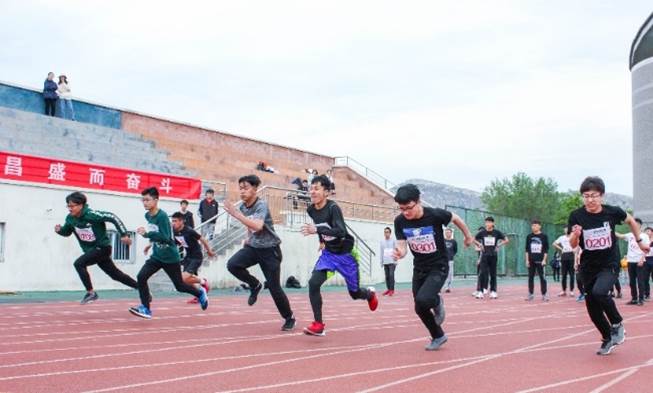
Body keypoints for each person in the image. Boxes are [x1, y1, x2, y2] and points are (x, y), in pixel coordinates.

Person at [568, 176, 649, 355]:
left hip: (609, 263)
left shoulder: (612, 212)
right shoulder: (576, 215)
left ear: (601, 196)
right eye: (586, 196)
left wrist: (639, 240)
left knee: (600, 292)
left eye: (594, 195)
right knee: (591, 306)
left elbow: (631, 221)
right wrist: (576, 234)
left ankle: (617, 323)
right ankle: (607, 338)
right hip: (588, 266)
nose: (590, 199)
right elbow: (573, 244)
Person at [392, 184, 474, 350]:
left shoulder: (435, 215)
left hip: (439, 265)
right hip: (419, 267)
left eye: (409, 208)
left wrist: (468, 236)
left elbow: (456, 218)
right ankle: (438, 335)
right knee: (419, 306)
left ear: (418, 202)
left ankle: (437, 302)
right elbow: (402, 245)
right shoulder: (400, 222)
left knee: (425, 299)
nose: (406, 213)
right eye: (402, 209)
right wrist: (400, 253)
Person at [301, 175, 378, 336]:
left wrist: (318, 231)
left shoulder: (333, 208)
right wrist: (321, 240)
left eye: (316, 188)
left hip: (346, 255)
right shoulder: (311, 209)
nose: (312, 191)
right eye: (311, 188)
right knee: (313, 283)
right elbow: (320, 226)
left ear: (327, 192)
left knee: (354, 293)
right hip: (329, 254)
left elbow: (340, 231)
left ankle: (369, 294)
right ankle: (318, 324)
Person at [224, 175, 296, 331]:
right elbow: (250, 228)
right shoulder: (243, 206)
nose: (242, 192)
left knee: (274, 287)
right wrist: (247, 238)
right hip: (254, 248)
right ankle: (254, 284)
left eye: (246, 188)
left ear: (255, 189)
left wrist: (236, 214)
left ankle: (289, 317)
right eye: (240, 188)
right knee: (232, 265)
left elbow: (257, 226)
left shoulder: (261, 205)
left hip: (270, 251)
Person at [129, 187, 208, 319]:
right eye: (143, 200)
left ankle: (199, 293)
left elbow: (166, 237)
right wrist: (150, 243)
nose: (145, 203)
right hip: (157, 256)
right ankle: (146, 309)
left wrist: (147, 234)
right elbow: (155, 234)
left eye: (147, 200)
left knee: (179, 286)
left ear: (156, 200)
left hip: (170, 258)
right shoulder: (148, 215)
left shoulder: (162, 216)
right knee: (141, 277)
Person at [54, 192, 138, 304]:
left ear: (81, 205)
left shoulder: (91, 215)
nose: (70, 208)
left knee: (79, 263)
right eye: (68, 206)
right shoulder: (70, 219)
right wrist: (60, 231)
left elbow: (113, 217)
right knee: (115, 275)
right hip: (92, 251)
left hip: (102, 248)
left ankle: (91, 293)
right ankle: (141, 288)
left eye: (72, 206)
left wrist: (123, 234)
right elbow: (67, 232)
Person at [168, 212, 214, 304]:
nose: (173, 223)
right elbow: (177, 243)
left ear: (181, 221)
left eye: (175, 221)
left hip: (196, 257)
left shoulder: (189, 230)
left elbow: (203, 239)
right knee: (187, 281)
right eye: (172, 221)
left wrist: (209, 251)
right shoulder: (175, 231)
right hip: (188, 257)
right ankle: (198, 295)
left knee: (183, 278)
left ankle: (203, 282)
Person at [616, 218, 650, 306]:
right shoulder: (630, 235)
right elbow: (620, 235)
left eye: (636, 224)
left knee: (640, 281)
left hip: (640, 261)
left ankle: (641, 299)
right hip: (630, 261)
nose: (634, 225)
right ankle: (634, 298)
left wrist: (642, 259)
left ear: (639, 225)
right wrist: (610, 229)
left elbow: (647, 249)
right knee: (631, 282)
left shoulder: (644, 236)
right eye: (632, 224)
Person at [474, 217, 509, 299]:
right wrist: (479, 245)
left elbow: (506, 240)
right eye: (486, 222)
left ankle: (493, 291)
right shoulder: (482, 232)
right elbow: (473, 239)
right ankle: (481, 291)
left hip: (493, 255)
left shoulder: (497, 232)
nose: (487, 224)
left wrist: (499, 245)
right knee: (482, 273)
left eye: (489, 222)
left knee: (493, 274)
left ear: (493, 223)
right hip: (484, 256)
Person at [525, 219, 549, 301]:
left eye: (535, 225)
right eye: (532, 225)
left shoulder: (544, 236)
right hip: (531, 260)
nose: (533, 227)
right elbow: (527, 249)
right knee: (530, 277)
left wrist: (544, 260)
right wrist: (527, 260)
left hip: (541, 260)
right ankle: (530, 294)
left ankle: (544, 294)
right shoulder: (529, 236)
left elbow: (546, 250)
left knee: (542, 277)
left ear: (539, 226)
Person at [553, 228, 575, 296]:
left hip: (572, 255)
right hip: (564, 255)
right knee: (564, 274)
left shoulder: (573, 236)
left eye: (567, 229)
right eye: (565, 229)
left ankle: (571, 291)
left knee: (572, 274)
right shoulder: (561, 237)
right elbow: (554, 243)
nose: (566, 230)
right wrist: (561, 249)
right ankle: (563, 290)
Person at [379, 227, 397, 296]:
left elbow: (396, 250)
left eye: (387, 232)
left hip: (392, 261)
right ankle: (388, 289)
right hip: (385, 261)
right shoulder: (382, 242)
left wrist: (396, 260)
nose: (386, 233)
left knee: (391, 275)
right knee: (387, 276)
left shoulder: (393, 241)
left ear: (390, 233)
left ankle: (392, 290)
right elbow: (381, 252)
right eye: (385, 232)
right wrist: (381, 262)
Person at [443, 228, 458, 293]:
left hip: (450, 260)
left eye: (449, 232)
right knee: (442, 273)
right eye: (446, 232)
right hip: (443, 260)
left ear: (451, 233)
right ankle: (440, 287)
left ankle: (447, 287)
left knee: (450, 274)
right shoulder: (442, 240)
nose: (447, 233)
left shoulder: (454, 241)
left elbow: (455, 250)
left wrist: (451, 255)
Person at [643, 227, 653, 301]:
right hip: (646, 259)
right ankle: (647, 294)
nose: (647, 232)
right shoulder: (643, 241)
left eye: (648, 231)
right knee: (645, 278)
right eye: (646, 231)